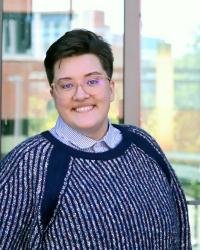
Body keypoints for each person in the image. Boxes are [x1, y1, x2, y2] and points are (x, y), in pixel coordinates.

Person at [0, 29, 191, 249]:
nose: (80, 94)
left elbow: (181, 235)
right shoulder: (27, 165)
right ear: (53, 95)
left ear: (110, 88)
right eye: (67, 85)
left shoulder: (144, 144)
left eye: (92, 81)